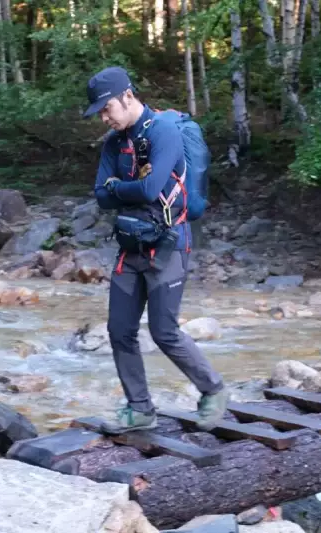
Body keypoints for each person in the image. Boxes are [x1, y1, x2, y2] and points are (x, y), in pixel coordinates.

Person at [81, 66, 228, 434]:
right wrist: (122, 187)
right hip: (130, 250)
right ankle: (141, 408)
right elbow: (100, 197)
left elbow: (148, 192)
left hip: (169, 247)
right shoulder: (113, 143)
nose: (104, 117)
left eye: (107, 108)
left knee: (164, 332)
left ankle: (213, 390)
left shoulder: (164, 133)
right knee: (120, 330)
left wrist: (118, 185)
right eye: (99, 111)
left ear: (127, 96)